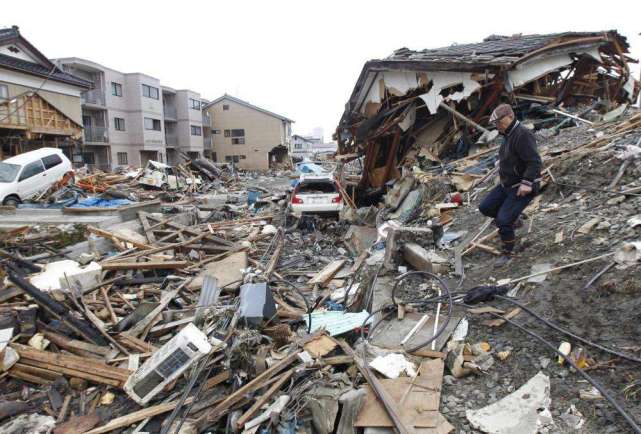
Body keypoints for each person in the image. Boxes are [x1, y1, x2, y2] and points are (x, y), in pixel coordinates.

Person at [479, 104, 542, 267]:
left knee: (503, 220)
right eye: (495, 124)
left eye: (499, 122)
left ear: (510, 116)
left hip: (522, 186)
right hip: (507, 184)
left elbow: (534, 162)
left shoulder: (522, 134)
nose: (497, 126)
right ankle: (515, 220)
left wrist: (527, 182)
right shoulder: (508, 134)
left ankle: (508, 252)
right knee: (485, 207)